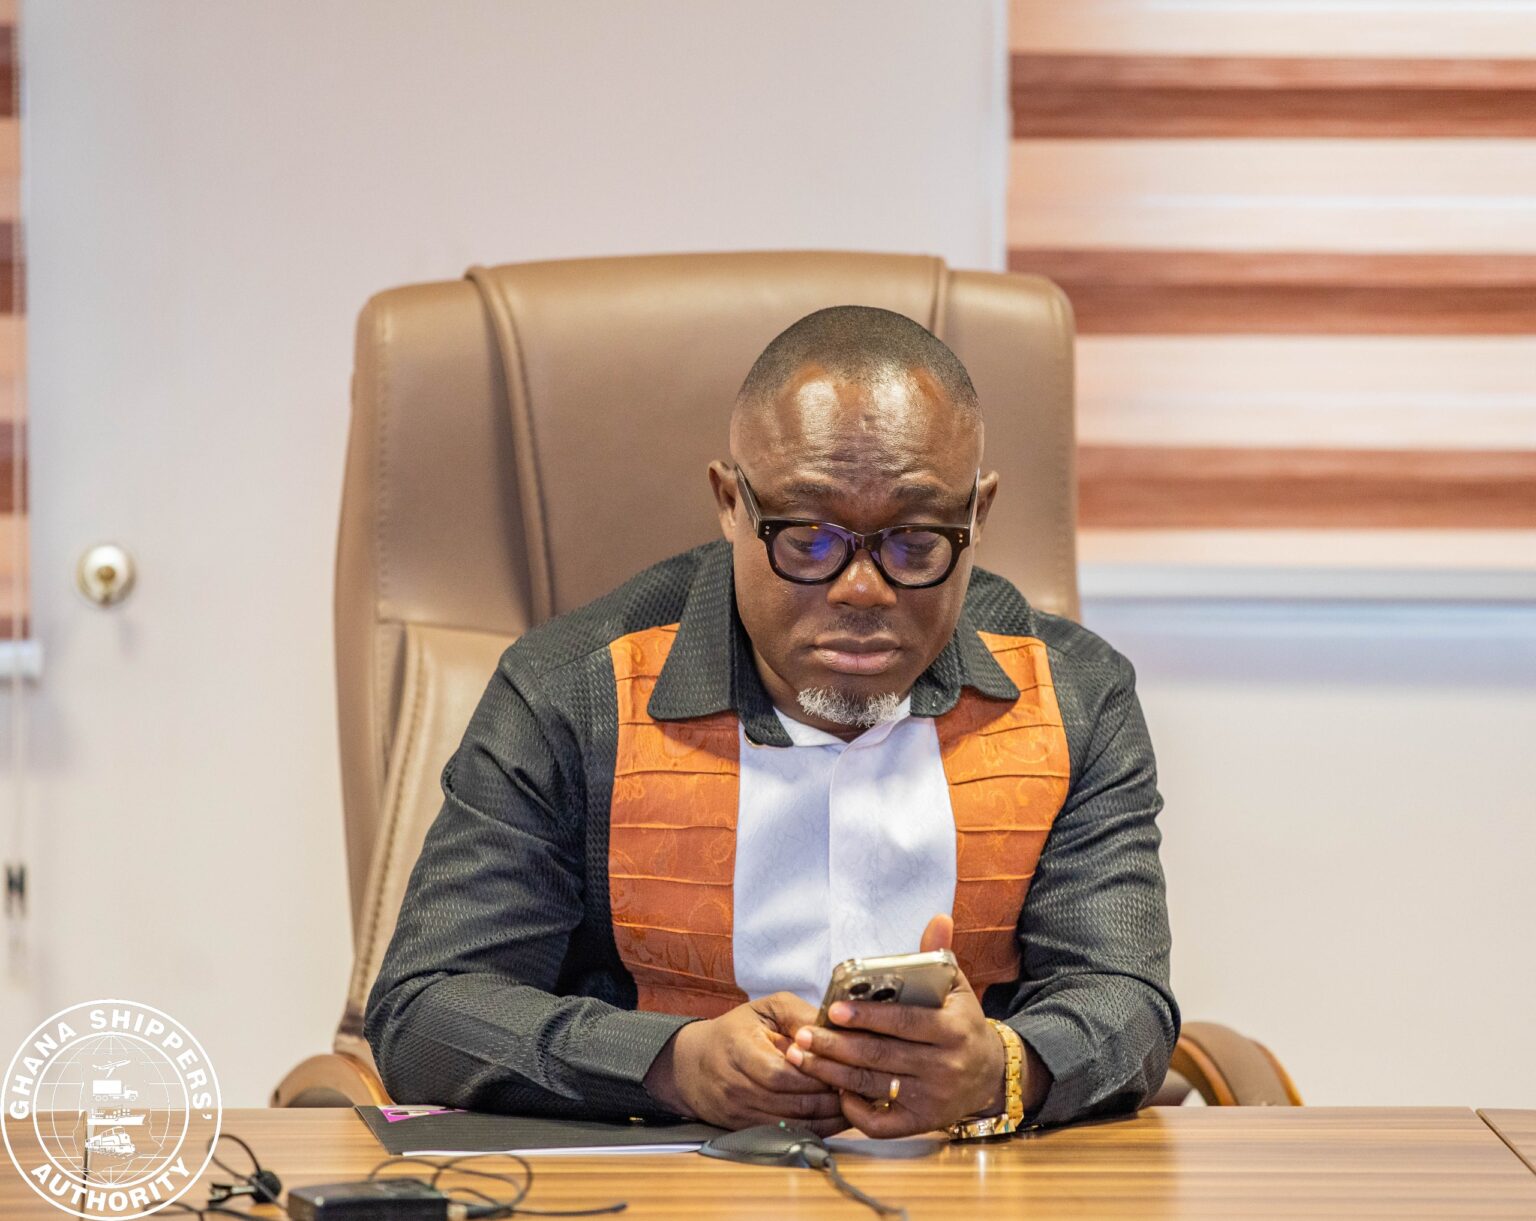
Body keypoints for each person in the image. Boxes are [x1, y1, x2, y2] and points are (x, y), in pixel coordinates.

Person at [364, 305, 1178, 1139]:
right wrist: (671, 1063)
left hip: (968, 1181)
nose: (862, 588)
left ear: (977, 514)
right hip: (666, 1179)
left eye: (915, 541)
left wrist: (997, 1067)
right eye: (808, 537)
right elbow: (427, 1009)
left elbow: (1126, 1000)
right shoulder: (571, 696)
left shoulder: (1075, 698)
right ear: (730, 502)